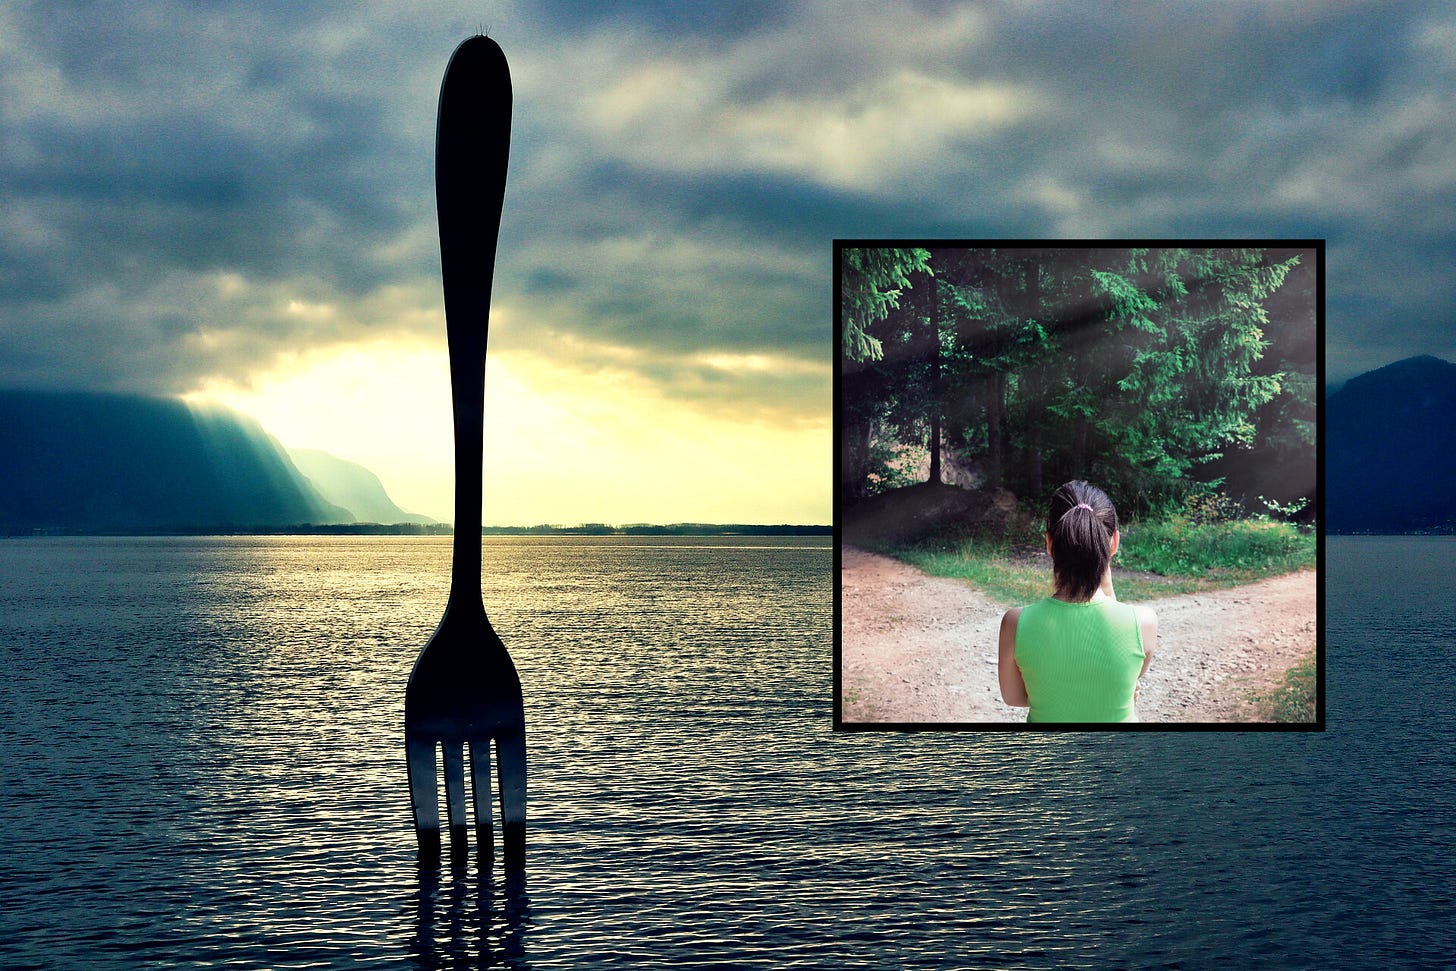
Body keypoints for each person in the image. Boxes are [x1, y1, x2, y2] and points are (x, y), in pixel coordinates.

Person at [997, 480, 1157, 723]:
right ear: (1114, 542)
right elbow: (1127, 682)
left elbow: (1013, 697)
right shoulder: (1143, 622)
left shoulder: (1016, 623)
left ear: (1049, 543)